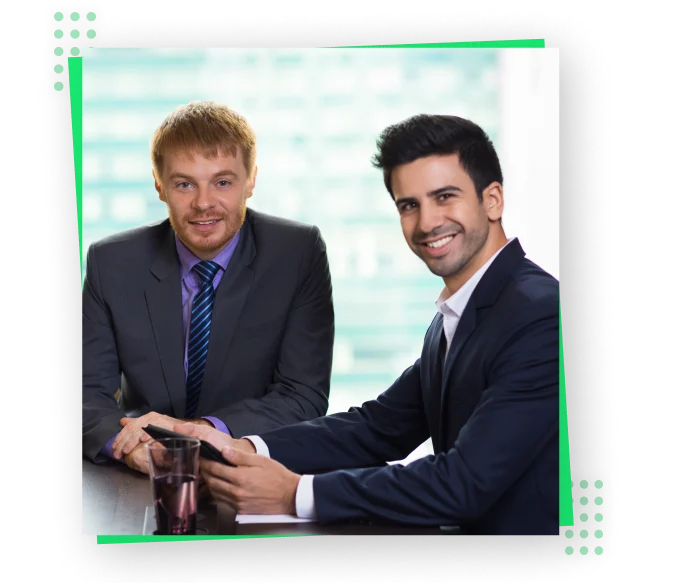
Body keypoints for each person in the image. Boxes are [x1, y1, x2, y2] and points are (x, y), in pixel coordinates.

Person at [175, 114, 560, 536]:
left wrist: (297, 493)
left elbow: (463, 483)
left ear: (492, 201)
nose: (427, 222)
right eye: (409, 205)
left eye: (445, 197)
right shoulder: (456, 317)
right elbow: (377, 428)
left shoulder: (540, 313)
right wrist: (242, 448)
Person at [82, 101, 335, 475]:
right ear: (159, 186)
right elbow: (83, 392)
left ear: (250, 181)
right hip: (139, 470)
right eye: (184, 184)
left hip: (253, 465)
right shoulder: (112, 262)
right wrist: (133, 449)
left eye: (222, 182)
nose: (203, 203)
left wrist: (196, 434)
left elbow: (303, 394)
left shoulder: (297, 253)